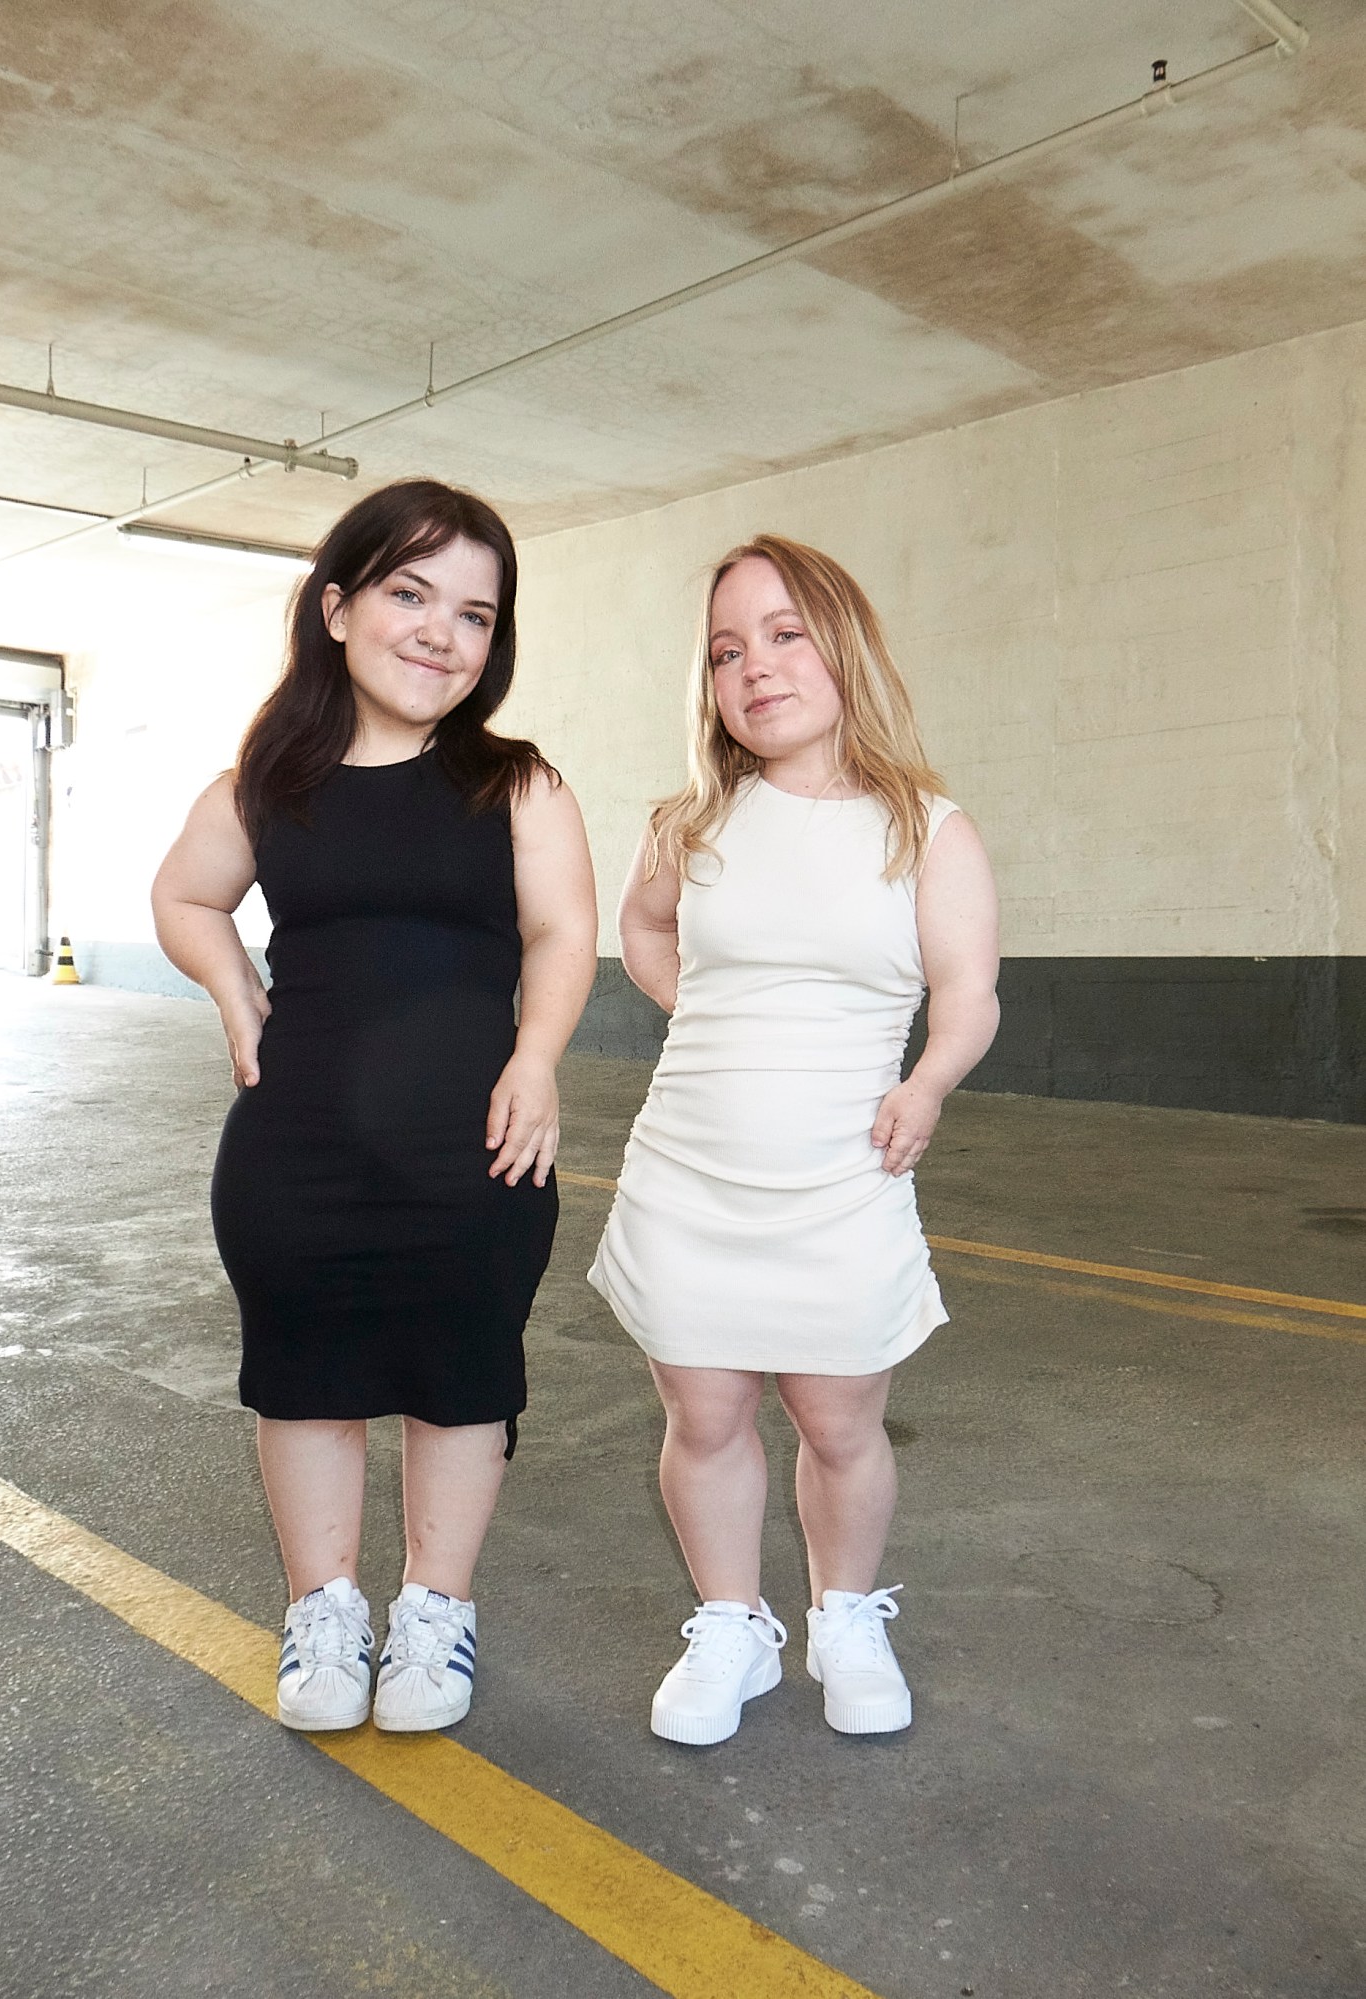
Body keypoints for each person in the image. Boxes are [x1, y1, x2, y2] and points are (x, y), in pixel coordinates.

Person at [152, 479, 596, 1735]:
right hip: (299, 1143)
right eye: (410, 593)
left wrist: (540, 1055)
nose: (441, 632)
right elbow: (185, 898)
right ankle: (327, 1609)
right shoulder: (268, 784)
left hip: (478, 1139)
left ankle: (435, 1615)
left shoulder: (516, 784)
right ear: (338, 607)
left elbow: (565, 930)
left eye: (474, 613)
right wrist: (236, 991)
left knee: (463, 1376)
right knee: (305, 1378)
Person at [588, 534, 998, 1746]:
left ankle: (844, 1615)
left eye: (782, 633)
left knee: (838, 1420)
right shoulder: (691, 822)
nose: (755, 666)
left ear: (842, 645)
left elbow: (968, 993)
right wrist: (711, 1021)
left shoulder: (925, 827)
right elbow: (646, 933)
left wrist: (924, 1085)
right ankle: (730, 1625)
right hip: (691, 1171)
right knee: (704, 1417)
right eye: (727, 649)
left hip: (843, 1171)